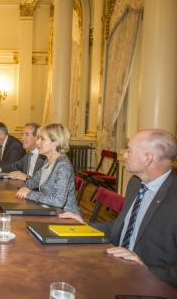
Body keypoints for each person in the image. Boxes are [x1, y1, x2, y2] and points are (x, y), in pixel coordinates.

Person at [60, 129, 177, 287]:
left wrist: (144, 267)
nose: (124, 155)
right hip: (117, 269)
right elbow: (121, 227)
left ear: (148, 158)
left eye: (129, 150)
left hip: (151, 285)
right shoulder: (135, 183)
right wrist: (83, 226)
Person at [16, 123, 81, 215]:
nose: (37, 142)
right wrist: (24, 188)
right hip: (50, 210)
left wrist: (29, 193)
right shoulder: (48, 161)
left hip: (66, 217)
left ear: (56, 142)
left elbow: (58, 201)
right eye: (38, 138)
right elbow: (34, 181)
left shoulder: (63, 166)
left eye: (42, 139)